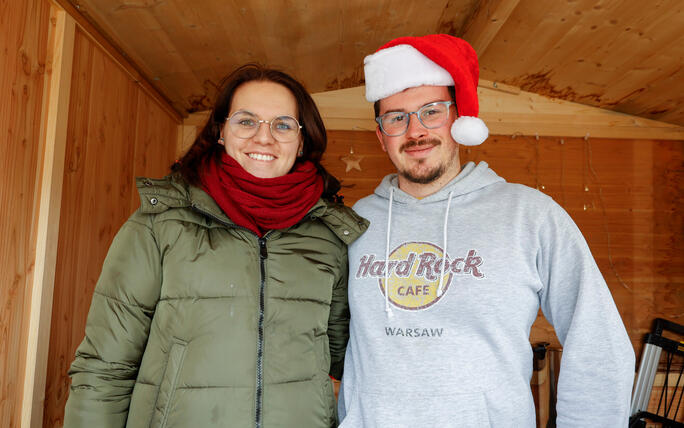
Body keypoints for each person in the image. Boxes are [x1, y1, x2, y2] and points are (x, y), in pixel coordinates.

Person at [337, 34, 635, 427]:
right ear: (380, 136)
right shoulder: (356, 222)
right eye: (396, 118)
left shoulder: (530, 215)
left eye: (432, 111)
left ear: (459, 119)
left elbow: (598, 342)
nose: (415, 131)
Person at [63, 64, 367, 428]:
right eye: (246, 121)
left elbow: (347, 357)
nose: (264, 137)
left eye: (283, 124)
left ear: (301, 140)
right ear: (221, 131)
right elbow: (104, 366)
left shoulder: (329, 235)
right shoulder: (161, 223)